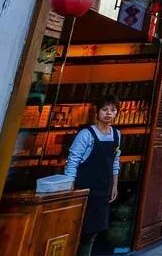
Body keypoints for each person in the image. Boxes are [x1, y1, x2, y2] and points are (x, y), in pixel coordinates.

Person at [65, 96, 121, 256]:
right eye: (104, 109)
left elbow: (115, 161)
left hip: (103, 188)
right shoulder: (86, 134)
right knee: (81, 229)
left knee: (95, 229)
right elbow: (73, 160)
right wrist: (70, 185)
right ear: (97, 112)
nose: (108, 113)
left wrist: (114, 185)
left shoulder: (117, 134)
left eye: (112, 110)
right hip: (85, 187)